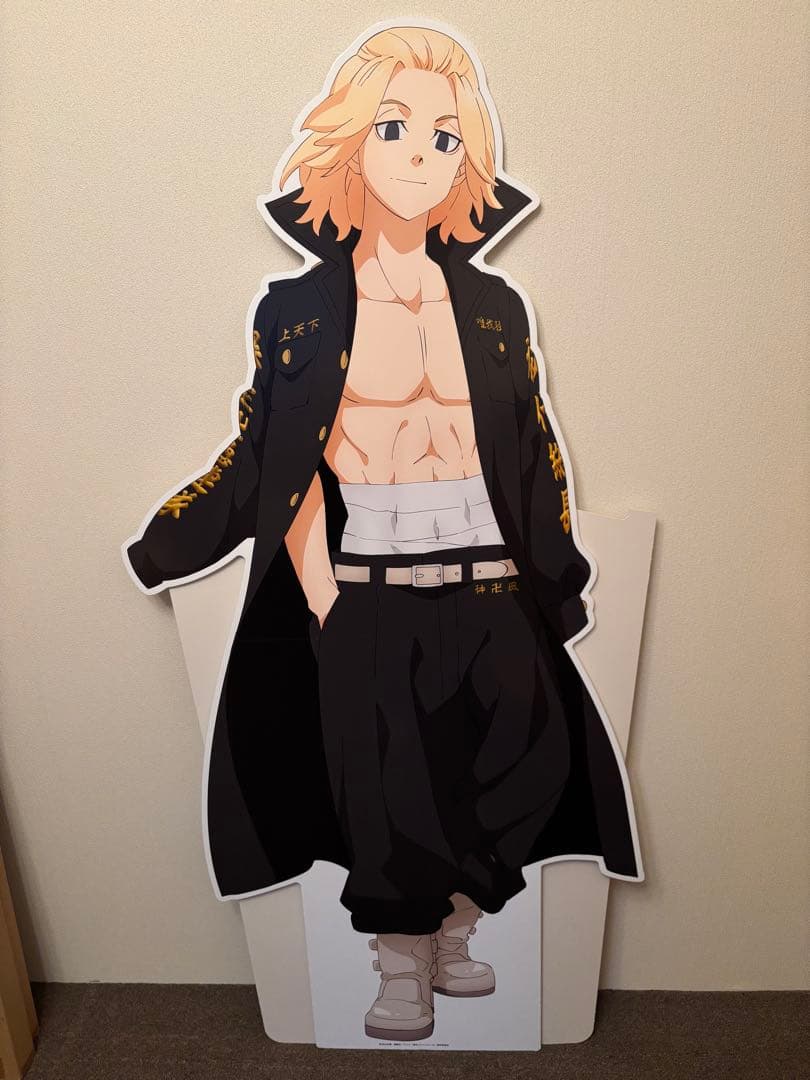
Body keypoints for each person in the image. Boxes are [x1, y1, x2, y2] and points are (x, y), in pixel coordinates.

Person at [124, 24, 644, 1043]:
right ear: (350, 144)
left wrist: (559, 578)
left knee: (524, 762)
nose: (419, 155)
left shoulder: (494, 308)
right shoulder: (298, 312)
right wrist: (224, 559)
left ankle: (457, 922)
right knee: (386, 785)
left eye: (446, 137)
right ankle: (403, 963)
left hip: (493, 587)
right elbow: (270, 453)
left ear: (468, 164)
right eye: (394, 127)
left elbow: (532, 448)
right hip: (367, 587)